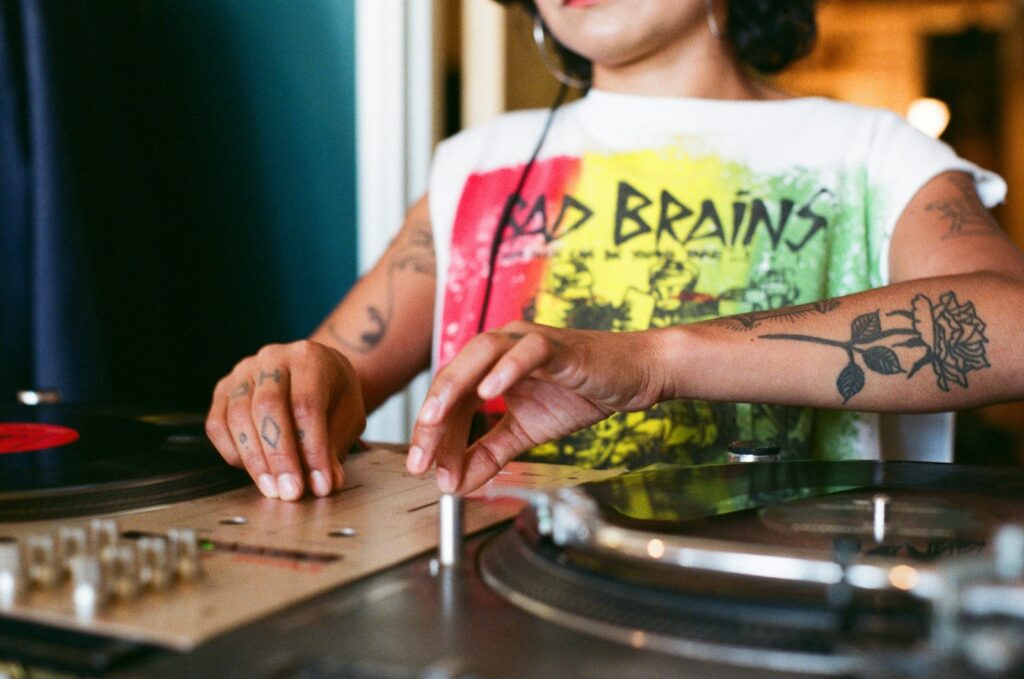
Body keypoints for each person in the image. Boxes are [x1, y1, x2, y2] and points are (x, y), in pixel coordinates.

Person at [206, 0, 1024, 502]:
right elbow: (340, 374)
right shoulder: (475, 164)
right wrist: (293, 386)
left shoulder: (876, 152)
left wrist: (654, 359)